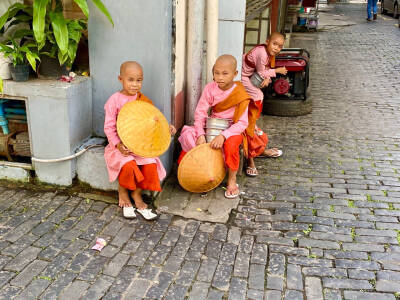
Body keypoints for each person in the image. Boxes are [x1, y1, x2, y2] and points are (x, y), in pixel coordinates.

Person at [104, 61, 176, 220]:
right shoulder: (114, 100)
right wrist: (118, 144)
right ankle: (123, 192)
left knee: (150, 163)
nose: (135, 85)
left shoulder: (143, 100)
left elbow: (153, 121)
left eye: (139, 80)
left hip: (140, 146)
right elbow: (109, 127)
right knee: (128, 164)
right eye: (130, 80)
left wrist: (166, 128)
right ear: (120, 79)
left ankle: (137, 195)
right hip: (120, 146)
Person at [178, 55, 250, 198]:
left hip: (232, 129)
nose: (220, 77)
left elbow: (242, 123)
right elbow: (200, 113)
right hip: (213, 125)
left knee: (230, 146)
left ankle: (231, 180)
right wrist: (200, 134)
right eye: (216, 73)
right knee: (189, 137)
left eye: (225, 73)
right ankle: (195, 173)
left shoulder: (240, 93)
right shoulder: (210, 88)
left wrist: (223, 136)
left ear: (235, 74)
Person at [241, 32, 286, 177]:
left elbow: (263, 73)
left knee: (251, 123)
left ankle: (258, 150)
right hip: (243, 77)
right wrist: (277, 71)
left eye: (280, 46)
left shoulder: (267, 53)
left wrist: (266, 78)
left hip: (250, 77)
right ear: (267, 42)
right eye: (274, 44)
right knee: (258, 98)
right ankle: (251, 159)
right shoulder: (262, 52)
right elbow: (262, 72)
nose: (276, 48)